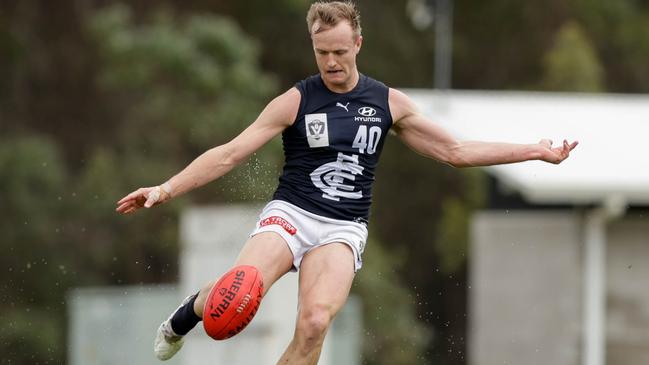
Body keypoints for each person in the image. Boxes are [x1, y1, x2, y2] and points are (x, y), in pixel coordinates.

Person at [116, 1, 578, 364]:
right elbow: (230, 153)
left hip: (342, 228)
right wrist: (165, 189)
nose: (331, 62)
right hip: (291, 214)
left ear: (358, 42)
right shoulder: (296, 100)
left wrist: (534, 150)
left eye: (340, 51)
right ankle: (182, 318)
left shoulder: (387, 103)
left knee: (315, 322)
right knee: (242, 289)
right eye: (322, 53)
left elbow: (456, 152)